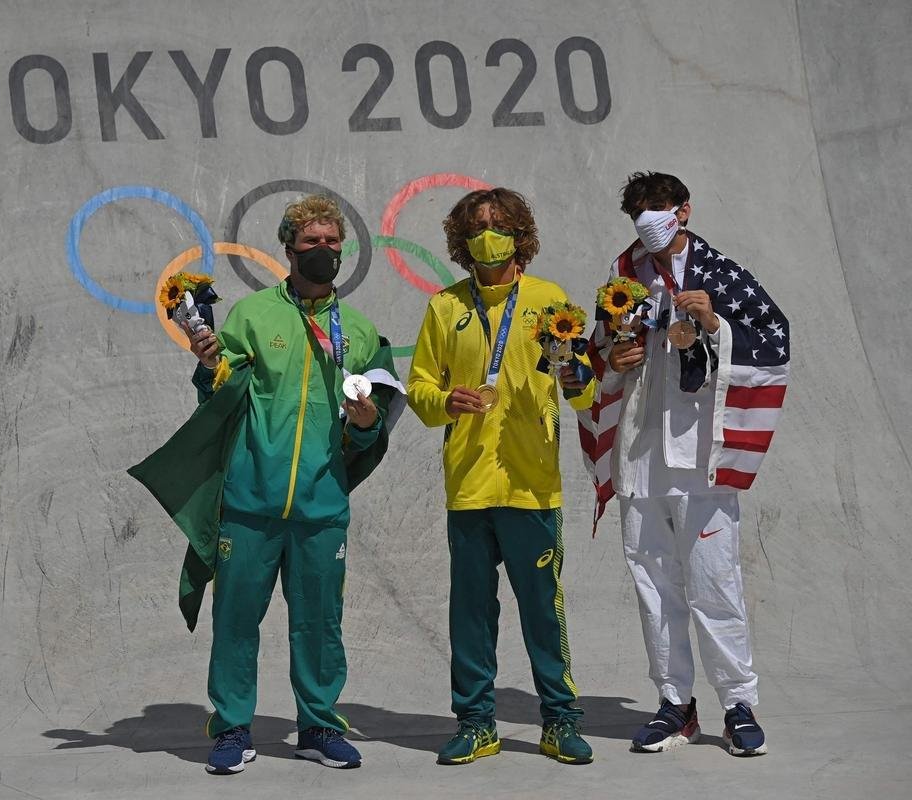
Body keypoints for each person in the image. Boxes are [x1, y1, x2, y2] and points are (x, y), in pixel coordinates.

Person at [135, 195, 401, 775]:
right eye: (312, 243)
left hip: (321, 503)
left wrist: (364, 424)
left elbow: (371, 423)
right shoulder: (253, 315)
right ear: (289, 250)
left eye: (333, 242)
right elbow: (219, 394)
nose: (324, 251)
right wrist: (207, 365)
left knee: (320, 624)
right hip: (251, 502)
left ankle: (319, 727)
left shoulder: (358, 330)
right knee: (235, 619)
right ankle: (231, 727)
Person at [578, 172, 790, 756]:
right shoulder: (624, 278)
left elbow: (774, 338)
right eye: (639, 212)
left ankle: (738, 703)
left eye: (658, 209)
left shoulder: (719, 273)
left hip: (700, 457)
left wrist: (717, 326)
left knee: (714, 583)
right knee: (654, 585)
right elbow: (599, 355)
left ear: (683, 211)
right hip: (642, 455)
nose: (649, 221)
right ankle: (676, 704)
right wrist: (617, 357)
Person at [406, 188, 596, 766]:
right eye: (477, 227)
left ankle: (559, 721)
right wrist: (446, 400)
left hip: (531, 482)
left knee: (543, 609)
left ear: (519, 234)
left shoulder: (549, 300)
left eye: (498, 225)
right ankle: (475, 721)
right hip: (467, 484)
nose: (488, 236)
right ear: (462, 241)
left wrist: (572, 378)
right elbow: (418, 390)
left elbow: (583, 389)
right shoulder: (444, 306)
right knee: (470, 611)